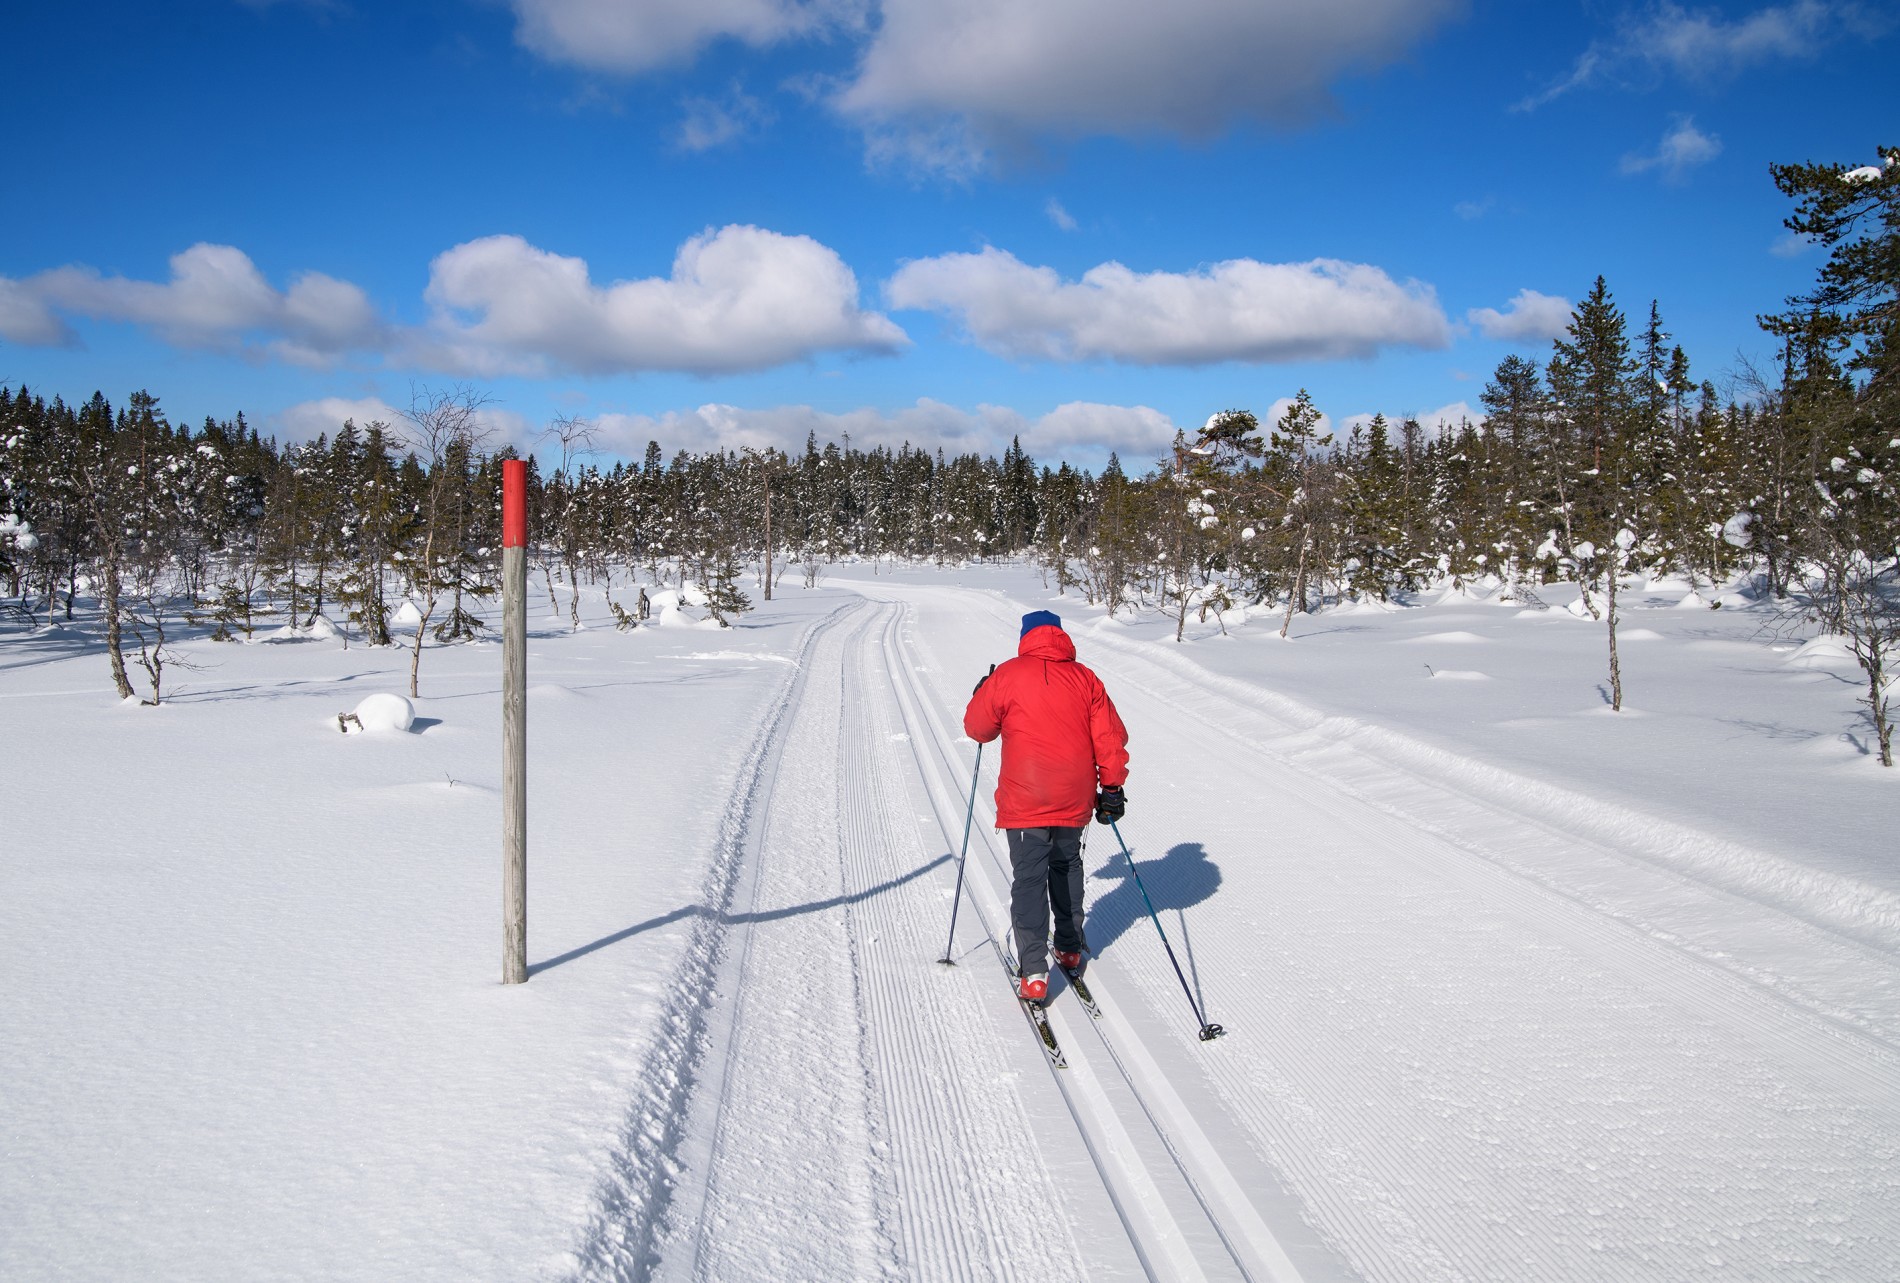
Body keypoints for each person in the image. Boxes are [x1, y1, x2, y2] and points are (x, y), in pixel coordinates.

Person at [964, 610, 1129, 1004]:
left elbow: (978, 729)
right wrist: (1112, 788)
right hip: (1074, 795)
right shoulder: (1086, 678)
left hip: (1026, 798)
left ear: (1026, 637)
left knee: (1030, 878)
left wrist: (982, 691)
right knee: (1067, 865)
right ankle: (1069, 947)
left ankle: (1035, 972)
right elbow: (1109, 737)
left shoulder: (1007, 674)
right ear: (1060, 636)